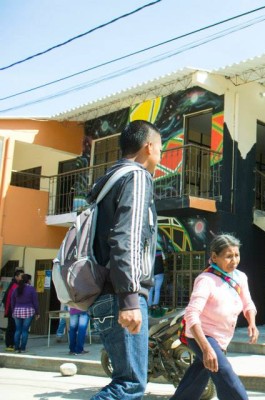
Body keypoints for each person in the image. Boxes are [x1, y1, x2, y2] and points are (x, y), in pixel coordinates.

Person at [86, 120, 162, 399]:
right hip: (122, 293)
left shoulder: (109, 178)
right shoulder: (138, 176)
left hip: (104, 294)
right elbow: (126, 237)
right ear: (149, 146)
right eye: (161, 149)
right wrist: (130, 298)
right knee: (129, 385)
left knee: (125, 381)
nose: (161, 156)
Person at [171, 234, 259, 400]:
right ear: (214, 257)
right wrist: (206, 348)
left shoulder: (240, 277)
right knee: (226, 375)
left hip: (221, 338)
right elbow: (191, 314)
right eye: (228, 256)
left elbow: (248, 304)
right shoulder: (206, 280)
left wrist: (252, 323)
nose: (234, 260)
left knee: (196, 379)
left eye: (236, 255)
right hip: (202, 336)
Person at [10, 274, 39, 353]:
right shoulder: (31, 289)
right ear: (29, 280)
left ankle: (16, 348)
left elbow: (12, 301)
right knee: (25, 330)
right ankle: (22, 349)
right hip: (28, 311)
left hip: (17, 311)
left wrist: (13, 311)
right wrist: (37, 312)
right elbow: (35, 302)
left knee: (18, 330)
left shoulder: (16, 289)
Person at [2, 269, 23, 351]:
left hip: (12, 309)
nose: (22, 277)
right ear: (16, 277)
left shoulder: (15, 284)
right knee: (11, 327)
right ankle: (9, 344)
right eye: (21, 276)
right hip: (12, 309)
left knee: (13, 327)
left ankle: (12, 344)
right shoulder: (14, 286)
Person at [148, 246, 165, 311]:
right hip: (160, 273)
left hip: (152, 274)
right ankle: (155, 304)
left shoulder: (150, 253)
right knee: (157, 289)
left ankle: (149, 304)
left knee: (150, 290)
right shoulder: (161, 252)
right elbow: (164, 261)